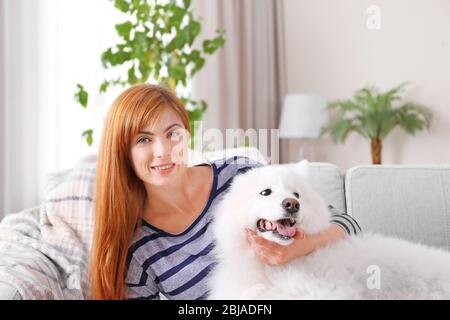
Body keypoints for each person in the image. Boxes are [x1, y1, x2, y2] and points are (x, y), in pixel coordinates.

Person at [89, 84, 362, 300]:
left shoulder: (240, 176)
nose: (163, 151)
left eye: (172, 133)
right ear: (123, 152)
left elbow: (348, 225)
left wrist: (297, 248)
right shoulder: (139, 247)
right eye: (143, 139)